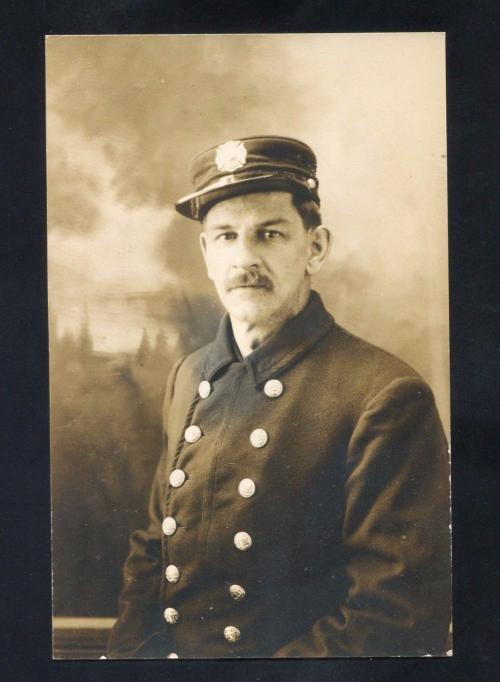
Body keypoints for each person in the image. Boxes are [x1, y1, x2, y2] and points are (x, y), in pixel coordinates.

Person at [106, 136, 451, 659]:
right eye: (225, 236)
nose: (244, 259)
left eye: (269, 234)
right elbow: (153, 552)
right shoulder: (190, 374)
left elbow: (394, 615)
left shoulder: (382, 395)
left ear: (315, 247)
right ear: (205, 254)